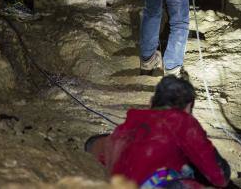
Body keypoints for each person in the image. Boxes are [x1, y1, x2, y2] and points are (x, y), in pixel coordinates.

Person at [86, 76, 230, 188]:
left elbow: (95, 148)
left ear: (150, 102)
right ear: (187, 108)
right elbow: (220, 177)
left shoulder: (122, 130)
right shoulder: (181, 121)